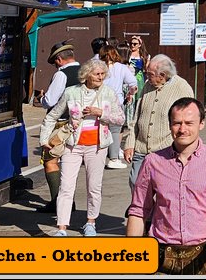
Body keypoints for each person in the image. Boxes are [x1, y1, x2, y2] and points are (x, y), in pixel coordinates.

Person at [126, 97, 206, 275]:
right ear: (169, 125)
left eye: (189, 123)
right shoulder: (153, 162)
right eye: (177, 123)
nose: (183, 129)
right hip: (161, 253)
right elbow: (139, 210)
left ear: (201, 124)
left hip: (205, 253)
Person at [39, 58, 126, 237]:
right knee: (66, 186)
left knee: (94, 186)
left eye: (103, 74)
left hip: (97, 146)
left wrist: (100, 113)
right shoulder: (71, 92)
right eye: (97, 74)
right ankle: (62, 227)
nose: (101, 77)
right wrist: (44, 139)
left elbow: (120, 119)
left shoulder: (108, 93)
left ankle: (90, 223)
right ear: (86, 75)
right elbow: (52, 115)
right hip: (73, 145)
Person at [122, 54, 195, 187]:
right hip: (141, 149)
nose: (147, 77)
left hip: (166, 151)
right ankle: (141, 209)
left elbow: (191, 121)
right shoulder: (147, 85)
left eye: (150, 74)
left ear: (162, 75)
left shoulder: (182, 88)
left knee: (163, 188)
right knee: (136, 183)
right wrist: (130, 144)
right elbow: (137, 116)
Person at [39, 40, 81, 212]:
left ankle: (60, 202)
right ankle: (66, 201)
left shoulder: (61, 75)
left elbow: (50, 100)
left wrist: (42, 98)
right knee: (72, 162)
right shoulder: (86, 72)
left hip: (61, 124)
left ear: (58, 60)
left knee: (50, 161)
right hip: (81, 123)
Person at [100, 42, 138, 170]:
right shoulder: (121, 67)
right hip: (116, 101)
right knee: (115, 131)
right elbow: (133, 83)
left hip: (99, 102)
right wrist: (130, 93)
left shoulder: (98, 67)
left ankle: (98, 155)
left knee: (100, 128)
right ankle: (114, 158)